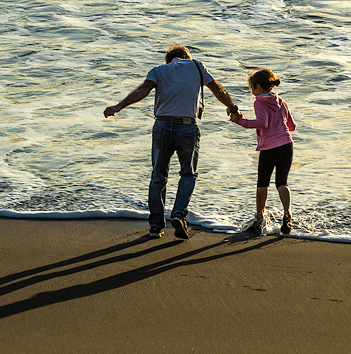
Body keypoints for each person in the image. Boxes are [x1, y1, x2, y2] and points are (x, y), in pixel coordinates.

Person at [104, 45, 240, 240]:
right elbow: (217, 89)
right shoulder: (197, 66)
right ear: (186, 57)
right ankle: (178, 214)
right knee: (188, 174)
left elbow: (143, 90)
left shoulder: (158, 71)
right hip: (187, 127)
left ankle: (155, 227)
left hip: (162, 127)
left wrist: (119, 106)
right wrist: (233, 108)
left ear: (168, 60)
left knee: (158, 177)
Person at [229, 69, 296, 235]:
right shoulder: (281, 101)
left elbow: (262, 123)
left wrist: (240, 121)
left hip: (270, 148)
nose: (251, 92)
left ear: (258, 87)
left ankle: (259, 218)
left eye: (251, 88)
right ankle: (287, 213)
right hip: (287, 145)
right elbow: (292, 126)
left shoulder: (259, 102)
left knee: (262, 183)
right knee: (282, 182)